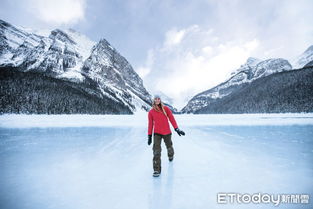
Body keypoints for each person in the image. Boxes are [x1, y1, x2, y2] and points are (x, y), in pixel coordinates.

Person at [147, 95, 185, 177]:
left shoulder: (166, 109)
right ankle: (156, 169)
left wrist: (176, 129)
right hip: (157, 133)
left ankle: (171, 155)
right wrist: (149, 135)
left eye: (158, 99)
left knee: (169, 147)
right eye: (155, 99)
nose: (157, 100)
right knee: (156, 151)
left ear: (160, 100)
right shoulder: (151, 112)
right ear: (153, 100)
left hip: (167, 132)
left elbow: (171, 118)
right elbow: (150, 125)